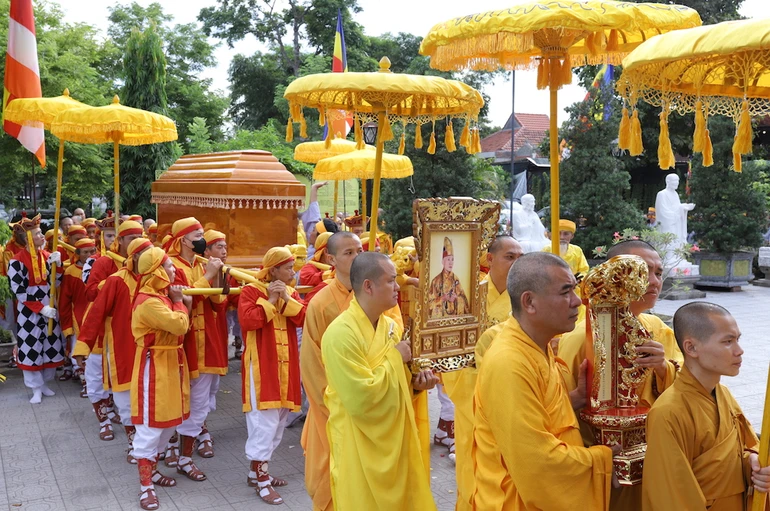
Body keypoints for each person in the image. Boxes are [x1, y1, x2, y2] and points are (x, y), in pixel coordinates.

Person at [473, 252, 615, 509]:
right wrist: (604, 460)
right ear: (529, 302)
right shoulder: (509, 362)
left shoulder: (536, 345)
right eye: (565, 292)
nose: (577, 302)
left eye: (574, 290)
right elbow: (536, 463)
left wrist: (573, 400)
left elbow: (538, 416)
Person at [557, 240, 683, 510]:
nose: (653, 281)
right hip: (600, 462)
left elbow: (688, 387)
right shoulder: (582, 338)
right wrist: (590, 459)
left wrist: (663, 368)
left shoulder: (657, 329)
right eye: (641, 271)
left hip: (656, 453)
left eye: (658, 273)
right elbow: (562, 410)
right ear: (615, 276)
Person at [322, 252, 438, 509]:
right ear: (368, 286)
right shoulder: (341, 335)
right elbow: (361, 399)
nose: (399, 287)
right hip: (359, 444)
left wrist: (416, 384)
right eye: (391, 281)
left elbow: (397, 383)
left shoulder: (391, 328)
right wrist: (397, 360)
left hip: (395, 442)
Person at [300, 232, 404, 511]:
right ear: (331, 259)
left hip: (380, 407)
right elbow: (312, 365)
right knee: (333, 480)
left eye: (360, 249)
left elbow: (395, 348)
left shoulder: (384, 300)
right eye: (349, 252)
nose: (357, 256)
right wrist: (337, 407)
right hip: (337, 409)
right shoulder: (321, 304)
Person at [643, 302, 770, 510]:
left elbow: (742, 450)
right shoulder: (668, 412)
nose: (739, 351)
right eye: (728, 342)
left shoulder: (723, 395)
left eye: (738, 340)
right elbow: (672, 496)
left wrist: (752, 464)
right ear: (691, 348)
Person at [443, 235, 523, 510]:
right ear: (489, 259)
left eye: (519, 257)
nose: (516, 263)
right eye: (509, 257)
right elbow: (451, 353)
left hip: (514, 396)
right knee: (472, 466)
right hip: (473, 395)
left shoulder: (526, 298)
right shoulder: (465, 295)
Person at [237, 246, 307, 505]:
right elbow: (248, 322)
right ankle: (262, 480)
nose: (293, 271)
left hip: (286, 367)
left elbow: (304, 318)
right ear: (274, 269)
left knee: (278, 422)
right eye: (288, 267)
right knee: (263, 423)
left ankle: (256, 473)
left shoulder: (291, 291)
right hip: (261, 367)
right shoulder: (250, 290)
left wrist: (286, 299)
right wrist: (270, 301)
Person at [74, 237, 153, 462]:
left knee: (151, 398)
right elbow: (96, 311)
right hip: (122, 347)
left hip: (153, 349)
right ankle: (133, 444)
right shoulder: (116, 280)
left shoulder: (157, 279)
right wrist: (83, 347)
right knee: (126, 399)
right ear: (135, 255)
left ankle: (152, 445)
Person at [130, 247, 192, 511]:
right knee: (150, 427)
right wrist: (181, 303)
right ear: (156, 271)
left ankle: (153, 471)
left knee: (170, 423)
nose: (173, 270)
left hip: (172, 363)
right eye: (167, 267)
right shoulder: (149, 301)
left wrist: (179, 303)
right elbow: (179, 325)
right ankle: (146, 489)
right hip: (153, 367)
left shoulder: (160, 296)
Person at [164, 217, 224, 475]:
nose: (202, 240)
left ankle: (183, 454)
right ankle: (176, 453)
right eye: (198, 235)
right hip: (182, 341)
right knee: (179, 397)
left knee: (200, 400)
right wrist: (208, 276)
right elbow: (182, 297)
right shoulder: (171, 266)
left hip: (207, 340)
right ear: (183, 241)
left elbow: (219, 303)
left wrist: (218, 276)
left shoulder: (202, 264)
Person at [8, 214, 67, 404]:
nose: (42, 236)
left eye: (41, 232)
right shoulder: (16, 261)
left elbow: (57, 282)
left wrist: (58, 265)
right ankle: (35, 388)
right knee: (31, 347)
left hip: (50, 307)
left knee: (51, 345)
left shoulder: (48, 256)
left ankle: (44, 384)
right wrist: (40, 308)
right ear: (27, 239)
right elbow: (20, 291)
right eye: (38, 233)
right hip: (29, 312)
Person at [58, 238, 96, 384]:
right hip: (77, 316)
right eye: (85, 252)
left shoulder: (99, 267)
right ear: (78, 253)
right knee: (77, 348)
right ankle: (84, 381)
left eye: (92, 251)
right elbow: (65, 301)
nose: (89, 255)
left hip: (94, 313)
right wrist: (67, 325)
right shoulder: (70, 272)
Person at [542, 219, 589, 321]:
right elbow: (540, 270)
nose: (562, 237)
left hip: (574, 290)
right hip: (553, 290)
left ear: (572, 236)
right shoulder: (546, 250)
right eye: (559, 234)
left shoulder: (577, 250)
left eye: (566, 234)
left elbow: (584, 270)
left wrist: (578, 280)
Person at [427, 236, 469, 317]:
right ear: (443, 261)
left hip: (454, 319)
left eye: (452, 259)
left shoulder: (455, 278)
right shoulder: (435, 281)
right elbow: (429, 304)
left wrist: (456, 298)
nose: (450, 263)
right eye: (448, 259)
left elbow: (465, 301)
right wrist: (443, 298)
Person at [655, 173, 695, 247]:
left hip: (676, 224)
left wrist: (685, 207)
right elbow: (662, 212)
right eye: (674, 181)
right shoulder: (662, 194)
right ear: (668, 181)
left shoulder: (675, 194)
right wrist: (677, 213)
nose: (677, 183)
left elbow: (677, 207)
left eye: (678, 181)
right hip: (668, 225)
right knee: (669, 244)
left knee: (676, 243)